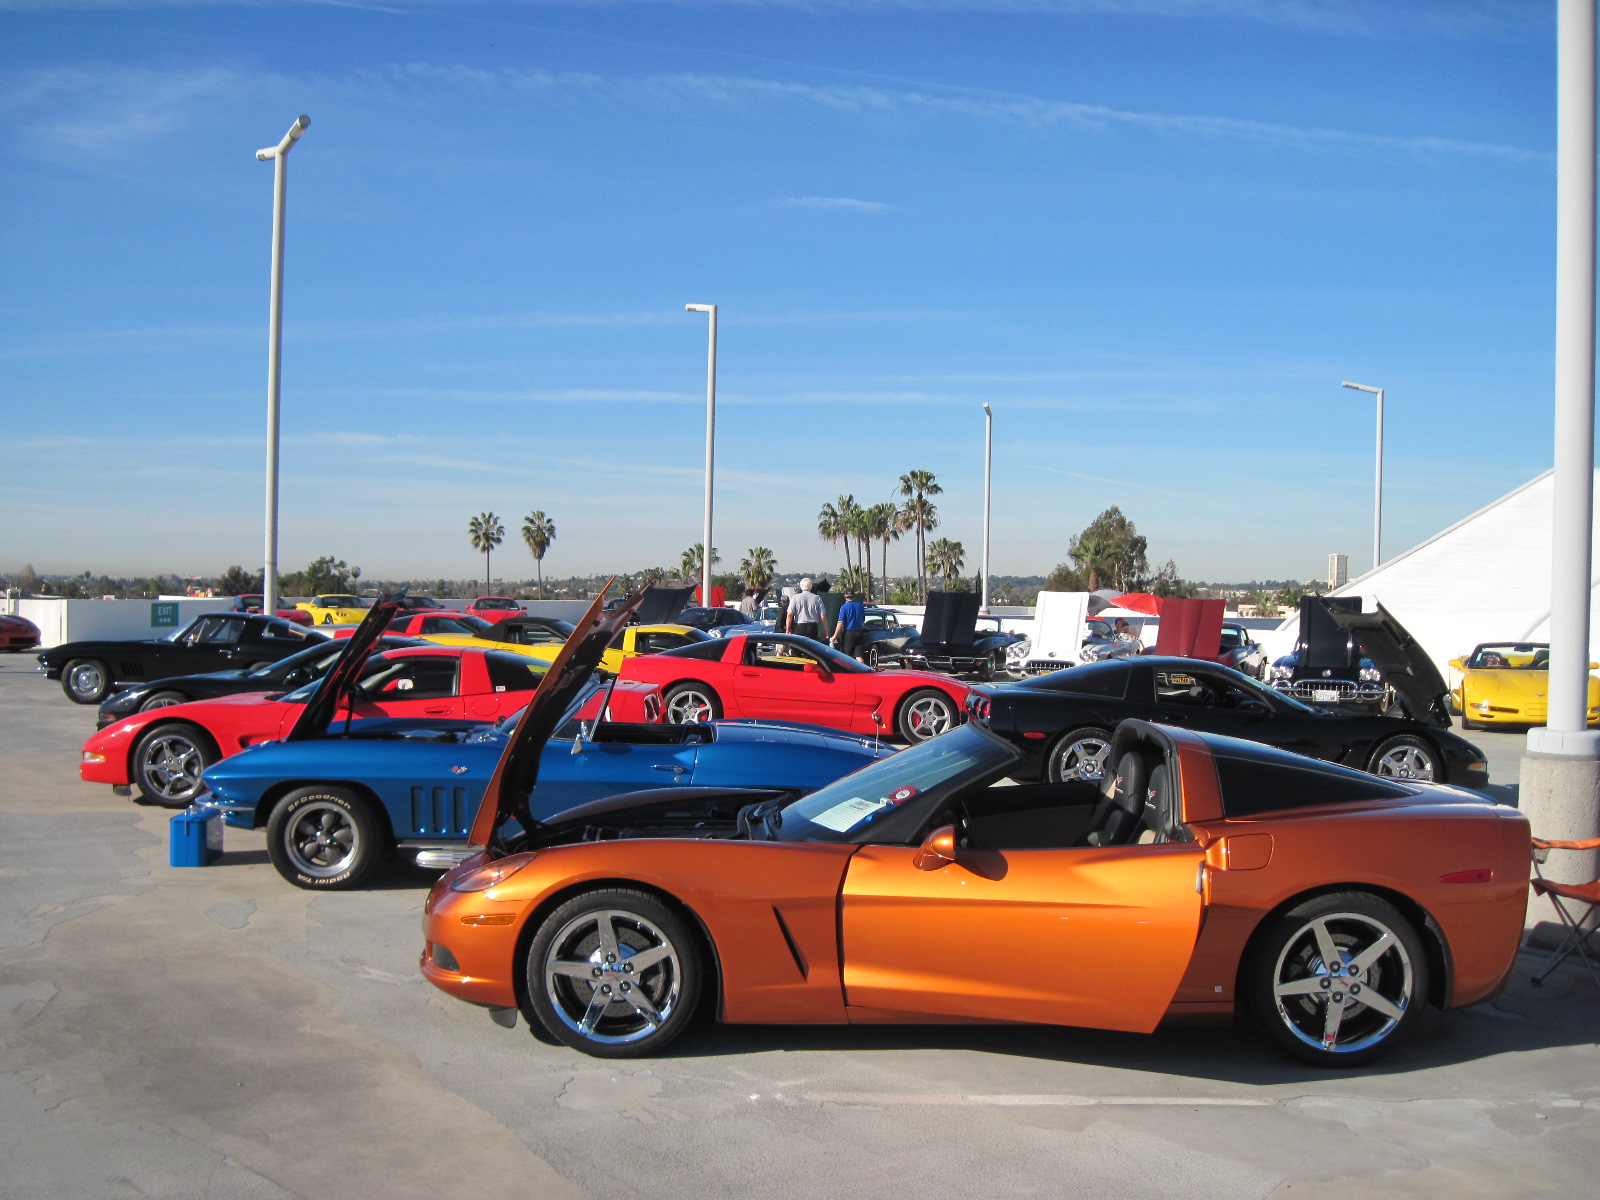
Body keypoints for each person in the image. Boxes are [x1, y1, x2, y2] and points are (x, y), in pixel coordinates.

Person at [832, 590, 865, 659]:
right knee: (859, 655)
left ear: (845, 596)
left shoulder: (844, 607)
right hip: (859, 632)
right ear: (854, 596)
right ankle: (862, 669)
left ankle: (847, 670)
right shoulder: (860, 606)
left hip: (848, 633)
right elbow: (862, 622)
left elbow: (840, 623)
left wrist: (835, 636)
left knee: (846, 657)